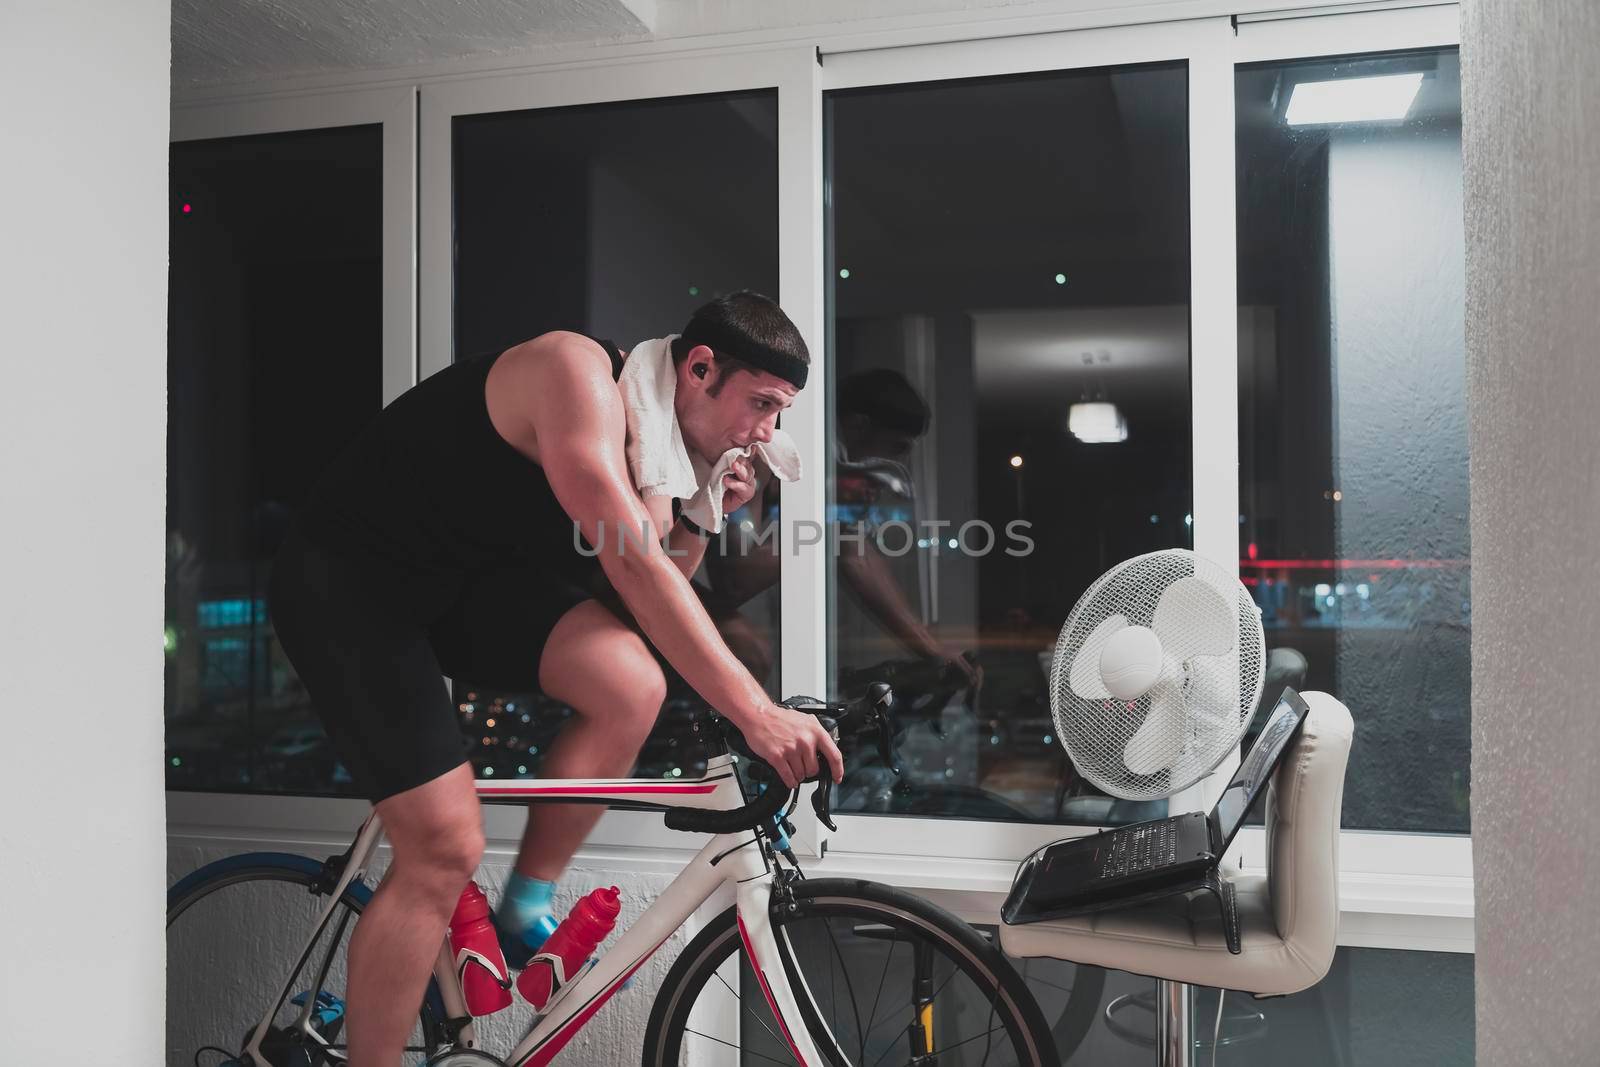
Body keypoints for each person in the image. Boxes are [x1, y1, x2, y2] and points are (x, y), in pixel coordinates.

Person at [266, 291, 843, 1065]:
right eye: (763, 406)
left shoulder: (666, 459)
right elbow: (637, 568)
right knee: (442, 846)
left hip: (460, 590)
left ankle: (523, 908)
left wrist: (702, 515)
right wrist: (757, 714)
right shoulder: (574, 374)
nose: (767, 436)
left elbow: (651, 595)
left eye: (781, 416)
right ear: (700, 368)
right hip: (352, 586)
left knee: (630, 682)